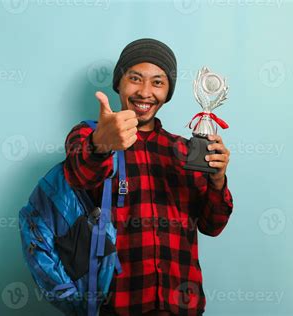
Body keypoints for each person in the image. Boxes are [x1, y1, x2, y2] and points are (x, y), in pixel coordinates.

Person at [63, 38, 234, 316]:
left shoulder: (184, 150)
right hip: (117, 304)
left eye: (157, 82)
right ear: (118, 83)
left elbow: (212, 225)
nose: (145, 92)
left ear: (168, 92)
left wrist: (217, 179)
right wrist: (100, 145)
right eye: (135, 78)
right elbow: (79, 176)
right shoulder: (87, 135)